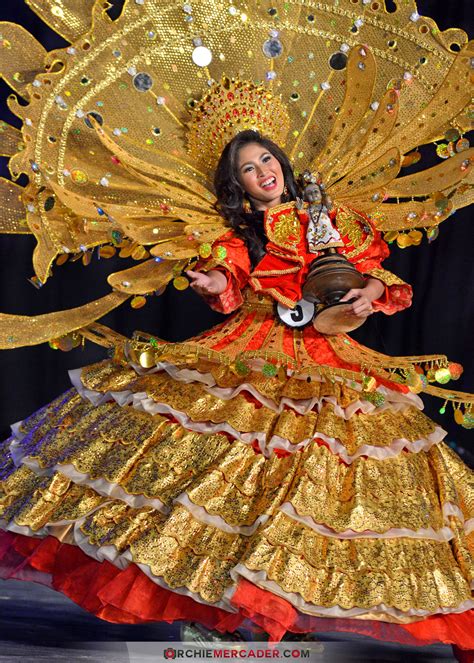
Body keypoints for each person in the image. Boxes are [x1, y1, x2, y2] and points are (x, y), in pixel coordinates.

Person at [0, 128, 472, 655]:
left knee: (324, 487)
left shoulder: (329, 218)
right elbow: (228, 275)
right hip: (251, 347)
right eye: (249, 168)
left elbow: (375, 274)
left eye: (267, 159)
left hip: (329, 358)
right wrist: (214, 283)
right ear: (240, 185)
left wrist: (368, 293)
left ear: (283, 164)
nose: (263, 171)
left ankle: (290, 610)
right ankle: (214, 611)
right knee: (227, 481)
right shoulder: (241, 232)